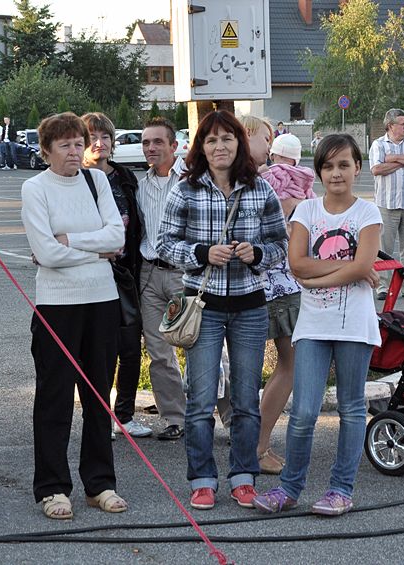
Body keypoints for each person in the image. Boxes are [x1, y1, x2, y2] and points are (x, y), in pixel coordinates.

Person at [157, 110, 287, 511]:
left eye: (227, 139)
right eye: (211, 140)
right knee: (200, 399)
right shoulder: (185, 189)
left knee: (247, 398)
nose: (219, 147)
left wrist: (257, 254)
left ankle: (243, 477)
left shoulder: (259, 189)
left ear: (239, 144)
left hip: (249, 306)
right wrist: (201, 253)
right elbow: (163, 244)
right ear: (201, 147)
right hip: (204, 305)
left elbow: (280, 244)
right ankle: (202, 479)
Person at [252, 133, 382, 516]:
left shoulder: (367, 214)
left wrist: (318, 279)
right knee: (305, 411)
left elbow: (359, 265)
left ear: (358, 168)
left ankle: (341, 489)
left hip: (354, 326)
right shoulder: (306, 212)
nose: (336, 173)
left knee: (351, 408)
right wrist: (353, 269)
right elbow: (298, 264)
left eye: (344, 164)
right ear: (319, 171)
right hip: (313, 325)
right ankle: (290, 488)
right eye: (328, 165)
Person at [21, 112, 127, 520]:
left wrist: (72, 242)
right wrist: (94, 249)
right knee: (55, 397)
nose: (74, 150)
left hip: (102, 299)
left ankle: (99, 483)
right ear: (46, 149)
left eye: (78, 143)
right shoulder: (35, 188)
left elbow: (116, 237)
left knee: (100, 394)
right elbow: (45, 253)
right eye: (64, 144)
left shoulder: (96, 180)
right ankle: (52, 488)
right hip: (57, 305)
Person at [81, 112, 151, 439]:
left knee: (130, 346)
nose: (100, 143)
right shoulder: (75, 178)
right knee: (99, 349)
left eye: (106, 136)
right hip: (91, 273)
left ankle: (125, 414)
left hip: (126, 272)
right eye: (93, 137)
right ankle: (101, 416)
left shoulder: (125, 177)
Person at [257, 132, 316, 475]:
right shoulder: (297, 188)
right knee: (289, 367)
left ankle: (255, 445)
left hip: (257, 285)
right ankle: (258, 446)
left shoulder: (261, 181)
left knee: (260, 370)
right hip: (284, 287)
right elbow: (300, 238)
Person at [136, 117, 189, 441]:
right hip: (150, 273)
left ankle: (230, 418)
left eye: (157, 142)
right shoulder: (139, 185)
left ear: (174, 146)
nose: (151, 148)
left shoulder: (193, 180)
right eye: (146, 143)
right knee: (159, 352)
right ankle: (175, 418)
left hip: (184, 273)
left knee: (202, 348)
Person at [369, 108, 404, 300]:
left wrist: (394, 159)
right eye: (402, 124)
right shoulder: (379, 144)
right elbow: (377, 169)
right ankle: (382, 286)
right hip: (387, 204)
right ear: (390, 126)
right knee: (384, 248)